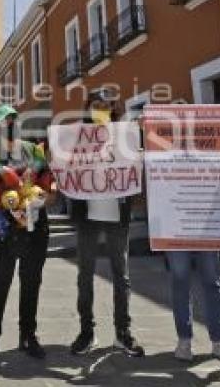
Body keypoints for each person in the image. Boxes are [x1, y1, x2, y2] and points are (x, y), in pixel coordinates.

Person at [0, 104, 53, 365]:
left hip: (34, 228)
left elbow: (48, 186)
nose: (12, 124)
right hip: (3, 230)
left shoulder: (33, 151)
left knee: (31, 284)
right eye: (6, 121)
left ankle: (28, 336)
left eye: (15, 119)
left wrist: (40, 201)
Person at [68, 89, 144, 357]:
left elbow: (136, 160)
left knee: (120, 275)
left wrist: (139, 139)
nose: (100, 109)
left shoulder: (124, 135)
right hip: (86, 213)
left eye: (105, 105)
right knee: (84, 274)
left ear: (113, 109)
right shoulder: (75, 136)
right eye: (95, 104)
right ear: (88, 108)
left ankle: (123, 333)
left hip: (117, 212)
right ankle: (86, 332)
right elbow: (65, 163)